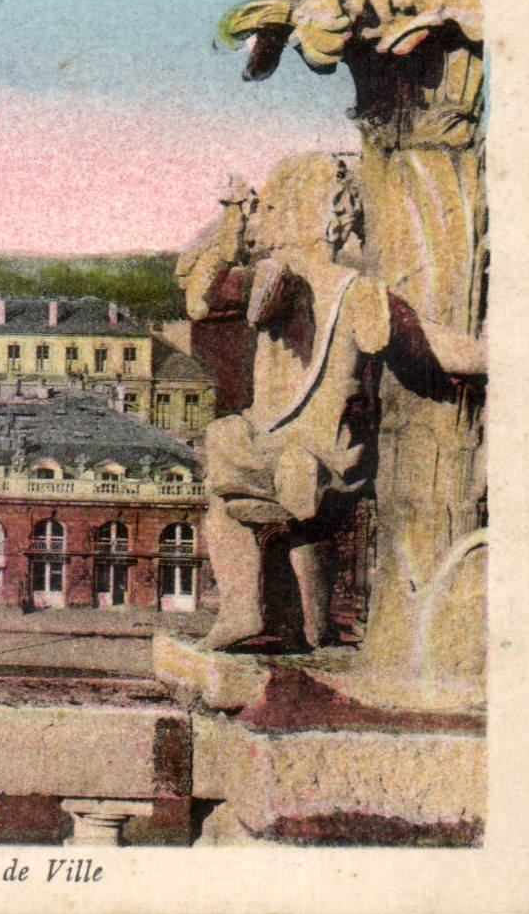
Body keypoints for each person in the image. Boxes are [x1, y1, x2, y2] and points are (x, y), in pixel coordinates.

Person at [181, 155, 483, 652]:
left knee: (236, 502)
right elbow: (433, 347)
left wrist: (232, 216)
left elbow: (200, 297)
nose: (264, 224)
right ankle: (302, 626)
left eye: (271, 211)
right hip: (320, 452)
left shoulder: (287, 283)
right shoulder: (344, 289)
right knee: (296, 522)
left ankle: (247, 613)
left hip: (301, 452)